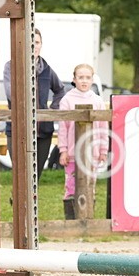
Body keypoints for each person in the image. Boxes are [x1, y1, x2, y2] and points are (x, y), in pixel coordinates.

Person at [3, 28, 64, 178]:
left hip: (43, 131)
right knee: (20, 174)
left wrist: (51, 109)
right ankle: (17, 200)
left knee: (36, 176)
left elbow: (60, 90)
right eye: (30, 42)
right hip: (18, 128)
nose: (34, 45)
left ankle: (31, 201)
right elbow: (11, 94)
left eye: (36, 42)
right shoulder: (11, 66)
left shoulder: (47, 70)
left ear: (41, 45)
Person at [56, 64, 108, 220]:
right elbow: (63, 128)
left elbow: (102, 128)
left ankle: (88, 218)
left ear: (92, 79)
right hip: (72, 153)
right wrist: (63, 150)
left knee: (90, 184)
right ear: (74, 79)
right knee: (71, 185)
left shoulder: (98, 101)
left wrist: (103, 150)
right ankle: (71, 220)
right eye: (81, 77)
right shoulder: (67, 100)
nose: (84, 81)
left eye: (87, 77)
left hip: (91, 153)